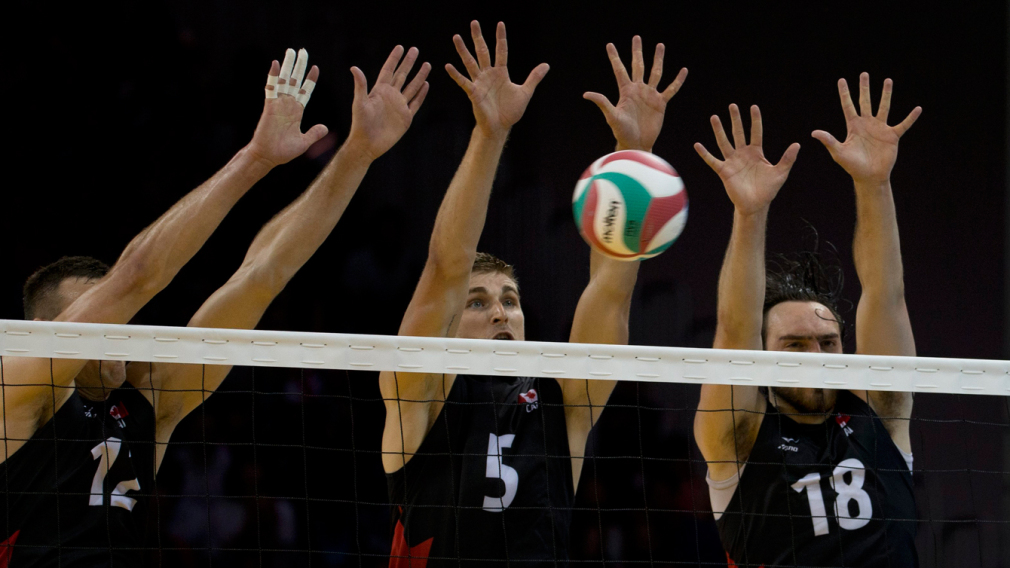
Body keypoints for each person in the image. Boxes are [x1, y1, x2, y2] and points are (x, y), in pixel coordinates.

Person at [1, 46, 429, 566]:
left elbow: (263, 274)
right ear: (46, 331)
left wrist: (358, 152)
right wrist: (255, 159)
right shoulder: (19, 392)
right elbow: (137, 277)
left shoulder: (149, 404)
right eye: (98, 321)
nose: (118, 330)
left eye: (123, 323)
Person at [381, 23, 686, 566]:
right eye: (477, 302)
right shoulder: (419, 393)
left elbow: (608, 297)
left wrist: (632, 156)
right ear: (449, 322)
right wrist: (490, 131)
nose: (501, 311)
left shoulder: (561, 404)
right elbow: (445, 266)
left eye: (511, 300)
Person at [692, 73, 922, 566]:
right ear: (762, 359)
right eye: (794, 345)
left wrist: (874, 182)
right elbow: (734, 329)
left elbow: (886, 296)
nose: (816, 356)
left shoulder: (880, 415)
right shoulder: (739, 436)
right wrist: (749, 214)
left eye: (828, 342)